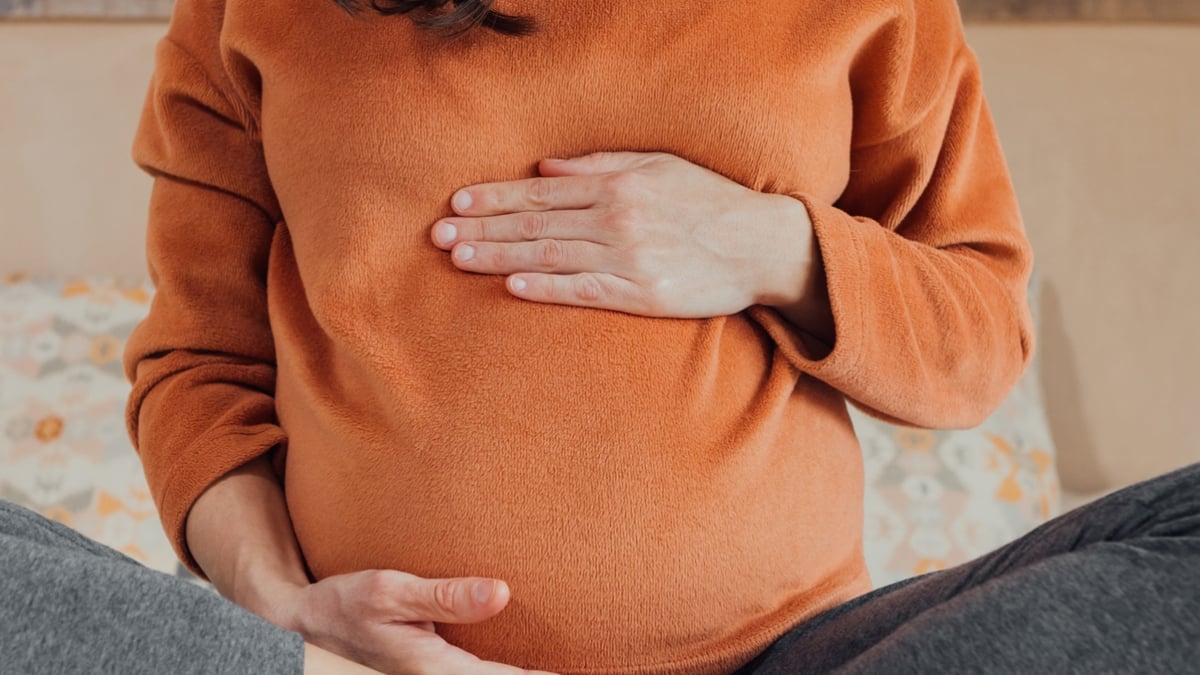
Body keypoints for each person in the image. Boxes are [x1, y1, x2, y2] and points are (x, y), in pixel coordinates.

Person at [70, 0, 1192, 672]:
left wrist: (770, 248)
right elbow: (196, 370)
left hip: (795, 657)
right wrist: (283, 613)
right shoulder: (253, 11)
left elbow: (978, 337)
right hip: (369, 668)